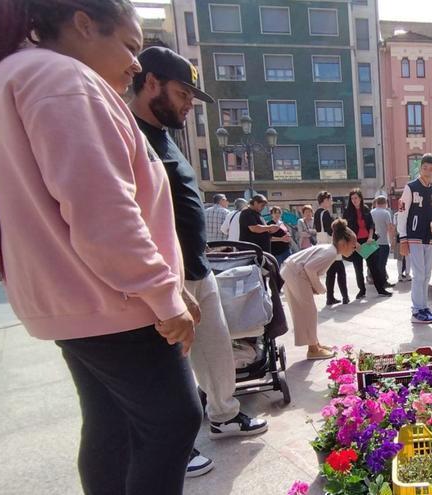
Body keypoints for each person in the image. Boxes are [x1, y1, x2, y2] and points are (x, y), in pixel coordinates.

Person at [0, 2, 201, 493]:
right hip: (114, 300)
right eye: (130, 46)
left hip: (79, 298)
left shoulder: (19, 74)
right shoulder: (62, 79)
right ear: (84, 24)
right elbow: (102, 211)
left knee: (113, 427)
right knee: (171, 422)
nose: (135, 63)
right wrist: (164, 295)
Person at [129, 46, 268, 477]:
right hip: (162, 276)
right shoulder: (127, 132)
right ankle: (174, 447)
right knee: (166, 371)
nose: (190, 104)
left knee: (216, 352)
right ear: (151, 82)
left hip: (196, 267)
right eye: (183, 93)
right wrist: (162, 284)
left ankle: (224, 416)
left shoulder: (165, 134)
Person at [282, 219, 358, 360]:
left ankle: (315, 345)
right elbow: (309, 268)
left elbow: (309, 268)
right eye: (353, 246)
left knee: (306, 311)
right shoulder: (330, 253)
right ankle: (312, 349)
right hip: (295, 273)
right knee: (309, 312)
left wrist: (315, 287)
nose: (354, 249)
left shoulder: (330, 250)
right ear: (343, 243)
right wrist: (320, 288)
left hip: (292, 271)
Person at [398, 154, 432, 323]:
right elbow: (402, 214)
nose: (428, 171)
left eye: (431, 168)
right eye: (425, 167)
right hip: (414, 236)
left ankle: (424, 307)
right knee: (418, 274)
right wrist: (403, 238)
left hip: (430, 238)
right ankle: (416, 310)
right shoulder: (410, 187)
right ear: (420, 168)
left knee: (426, 274)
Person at [344, 189, 392, 298]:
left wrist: (370, 237)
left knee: (374, 266)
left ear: (360, 198)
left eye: (356, 198)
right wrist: (355, 243)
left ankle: (381, 289)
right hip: (355, 243)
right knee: (358, 268)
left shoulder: (365, 209)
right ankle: (362, 291)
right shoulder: (347, 212)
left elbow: (371, 225)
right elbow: (346, 229)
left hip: (367, 241)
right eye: (352, 198)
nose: (354, 200)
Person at [314, 191, 349, 305]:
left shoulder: (317, 213)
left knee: (330, 273)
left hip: (322, 245)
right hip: (331, 246)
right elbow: (331, 231)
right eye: (329, 199)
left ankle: (330, 298)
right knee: (341, 271)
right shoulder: (325, 213)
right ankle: (345, 296)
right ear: (324, 200)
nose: (331, 202)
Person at [370, 196, 396, 287]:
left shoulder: (371, 212)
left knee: (374, 263)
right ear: (385, 203)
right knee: (382, 264)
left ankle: (375, 280)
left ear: (376, 203)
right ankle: (382, 282)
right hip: (383, 242)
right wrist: (392, 241)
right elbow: (389, 228)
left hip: (372, 242)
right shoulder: (386, 213)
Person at [393, 209, 411, 282]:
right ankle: (405, 274)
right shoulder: (397, 215)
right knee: (406, 257)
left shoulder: (396, 215)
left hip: (400, 238)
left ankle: (401, 275)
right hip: (406, 238)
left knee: (402, 258)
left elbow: (394, 227)